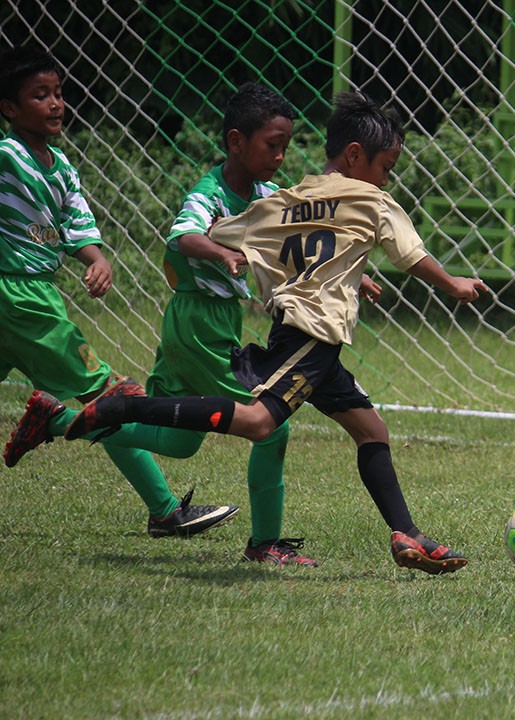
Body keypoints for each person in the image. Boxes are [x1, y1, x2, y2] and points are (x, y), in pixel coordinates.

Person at [67, 91, 490, 574]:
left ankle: (406, 534)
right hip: (312, 335)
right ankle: (124, 407)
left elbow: (224, 234)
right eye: (386, 167)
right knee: (259, 423)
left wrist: (350, 272)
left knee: (371, 429)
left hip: (308, 337)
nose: (386, 178)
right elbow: (410, 255)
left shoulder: (287, 200)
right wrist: (453, 283)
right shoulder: (373, 200)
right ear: (356, 155)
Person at [0, 45, 238, 537]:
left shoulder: (62, 167)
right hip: (20, 299)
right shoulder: (6, 157)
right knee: (109, 396)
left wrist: (98, 259)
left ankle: (160, 508)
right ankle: (165, 511)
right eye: (39, 95)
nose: (54, 104)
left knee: (108, 407)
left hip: (34, 293)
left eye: (58, 94)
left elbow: (77, 226)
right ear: (9, 108)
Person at [89, 82, 312, 564]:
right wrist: (223, 252)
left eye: (285, 147)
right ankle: (265, 544)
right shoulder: (208, 192)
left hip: (204, 323)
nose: (279, 156)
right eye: (271, 145)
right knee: (271, 424)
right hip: (199, 323)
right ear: (236, 142)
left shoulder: (268, 194)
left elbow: (298, 236)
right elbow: (185, 236)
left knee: (177, 440)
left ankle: (69, 421)